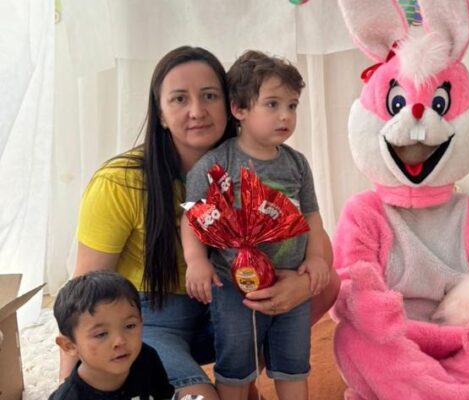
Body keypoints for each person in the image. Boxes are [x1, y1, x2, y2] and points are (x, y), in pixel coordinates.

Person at [63, 46, 339, 400]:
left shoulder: (261, 163)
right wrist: (70, 384)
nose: (197, 111)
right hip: (155, 318)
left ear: (231, 105)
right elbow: (82, 293)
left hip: (226, 302)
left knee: (326, 282)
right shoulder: (120, 183)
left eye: (209, 96)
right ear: (161, 114)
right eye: (179, 99)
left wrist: (300, 285)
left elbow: (310, 227)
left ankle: (246, 375)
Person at [181, 50, 331, 400]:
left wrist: (317, 257)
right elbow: (192, 217)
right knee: (235, 363)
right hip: (235, 288)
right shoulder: (217, 163)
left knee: (293, 362)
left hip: (291, 280)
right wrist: (196, 261)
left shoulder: (297, 164)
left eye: (292, 106)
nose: (285, 116)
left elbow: (311, 216)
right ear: (239, 109)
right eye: (272, 104)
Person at [51, 270, 175, 400]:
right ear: (70, 346)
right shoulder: (69, 397)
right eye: (101, 334)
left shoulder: (146, 358)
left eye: (130, 326)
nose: (120, 341)